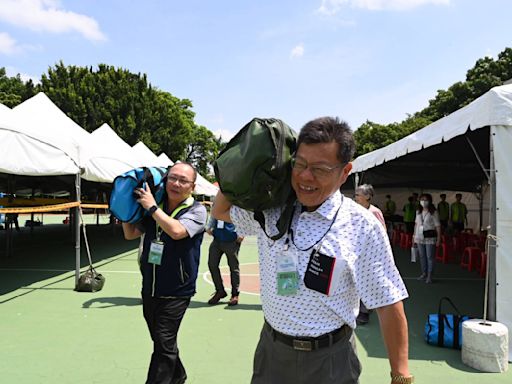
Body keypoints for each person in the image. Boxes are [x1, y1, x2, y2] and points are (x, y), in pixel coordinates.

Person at [213, 117, 412, 384]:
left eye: (320, 169)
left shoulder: (361, 225)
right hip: (273, 352)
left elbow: (388, 303)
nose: (306, 177)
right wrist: (246, 163)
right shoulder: (272, 210)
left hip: (330, 360)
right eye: (300, 164)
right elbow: (220, 210)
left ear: (345, 172)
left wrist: (400, 375)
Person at [122, 162, 207, 384]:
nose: (176, 184)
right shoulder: (155, 206)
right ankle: (178, 375)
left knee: (163, 344)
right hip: (150, 286)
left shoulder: (197, 210)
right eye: (172, 178)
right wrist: (124, 208)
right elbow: (130, 234)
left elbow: (177, 231)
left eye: (183, 180)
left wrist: (152, 208)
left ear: (193, 186)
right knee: (162, 342)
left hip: (177, 291)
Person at [354, 184, 386, 325]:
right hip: (357, 253)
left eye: (358, 195)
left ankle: (364, 312)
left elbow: (382, 233)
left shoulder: (375, 212)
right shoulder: (355, 211)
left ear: (367, 196)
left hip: (370, 254)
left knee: (366, 282)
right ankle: (364, 307)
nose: (356, 197)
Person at [206, 215, 244, 306]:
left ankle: (235, 294)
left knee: (233, 267)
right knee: (212, 264)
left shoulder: (235, 203)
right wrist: (208, 227)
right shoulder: (217, 202)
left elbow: (242, 217)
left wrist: (242, 234)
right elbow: (213, 214)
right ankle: (220, 291)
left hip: (232, 239)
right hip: (217, 239)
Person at [413, 193, 441, 284]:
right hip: (419, 236)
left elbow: (438, 226)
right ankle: (424, 273)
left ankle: (430, 275)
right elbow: (416, 224)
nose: (423, 202)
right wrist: (413, 236)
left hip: (430, 236)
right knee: (422, 256)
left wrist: (439, 238)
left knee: (430, 256)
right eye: (422, 199)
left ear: (429, 201)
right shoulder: (418, 211)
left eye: (426, 200)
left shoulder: (433, 212)